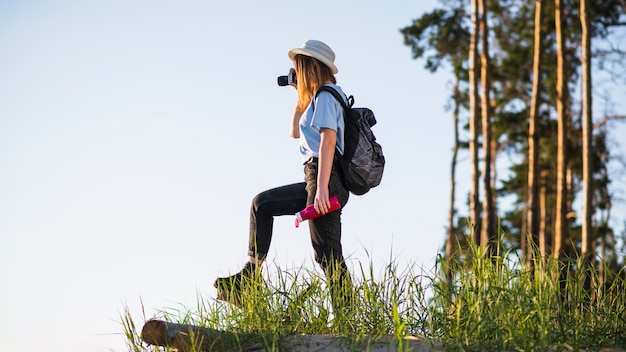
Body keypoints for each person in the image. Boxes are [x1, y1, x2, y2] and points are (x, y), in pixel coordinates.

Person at [214, 39, 353, 311]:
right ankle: (248, 279)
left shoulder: (326, 95)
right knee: (261, 204)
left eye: (297, 68)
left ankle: (347, 320)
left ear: (309, 66)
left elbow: (328, 141)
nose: (295, 73)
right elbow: (294, 131)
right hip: (317, 177)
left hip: (324, 176)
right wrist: (299, 95)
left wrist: (322, 189)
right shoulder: (319, 97)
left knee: (327, 253)